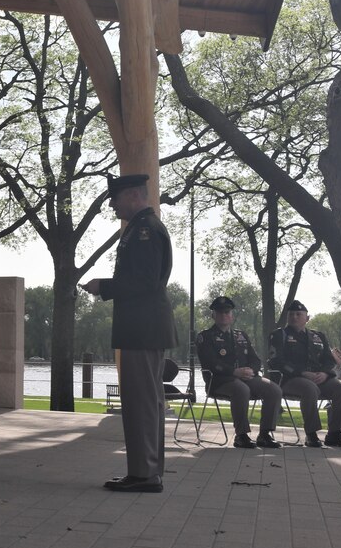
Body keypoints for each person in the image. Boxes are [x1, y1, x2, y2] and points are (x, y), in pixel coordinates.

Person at [81, 174, 177, 493]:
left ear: (134, 196)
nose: (112, 204)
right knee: (143, 402)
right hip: (142, 327)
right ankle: (145, 470)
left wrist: (104, 286)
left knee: (142, 402)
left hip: (143, 328)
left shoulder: (145, 231)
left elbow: (146, 282)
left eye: (116, 198)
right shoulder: (139, 228)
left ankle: (145, 473)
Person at [195, 296, 282, 449]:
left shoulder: (241, 335)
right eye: (220, 312)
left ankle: (265, 434)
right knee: (241, 389)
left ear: (232, 315)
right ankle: (241, 436)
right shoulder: (205, 337)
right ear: (213, 315)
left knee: (273, 389)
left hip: (246, 378)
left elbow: (256, 360)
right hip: (219, 381)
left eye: (227, 312)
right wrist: (234, 372)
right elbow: (210, 363)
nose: (224, 315)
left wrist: (251, 370)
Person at [268, 300, 341, 448]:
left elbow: (329, 360)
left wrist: (326, 374)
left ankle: (335, 434)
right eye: (291, 314)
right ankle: (311, 434)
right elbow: (276, 362)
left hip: (320, 378)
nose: (294, 317)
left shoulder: (318, 336)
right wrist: (302, 373)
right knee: (309, 387)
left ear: (307, 318)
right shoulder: (279, 335)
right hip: (290, 379)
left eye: (298, 314)